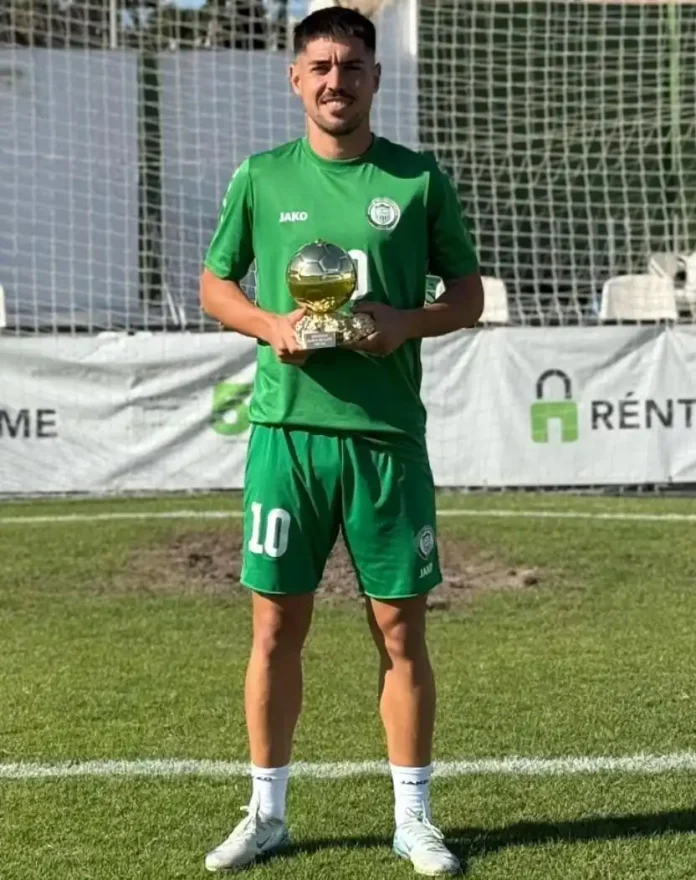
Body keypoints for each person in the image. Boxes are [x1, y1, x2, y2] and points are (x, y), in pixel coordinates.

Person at [199, 5, 483, 875]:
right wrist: (269, 324)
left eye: (352, 67)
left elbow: (467, 295)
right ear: (296, 78)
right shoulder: (261, 177)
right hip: (286, 437)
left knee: (400, 631)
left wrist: (406, 321)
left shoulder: (417, 179)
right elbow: (214, 284)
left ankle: (413, 821)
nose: (336, 81)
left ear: (374, 79)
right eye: (320, 67)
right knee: (275, 628)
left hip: (385, 440)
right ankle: (267, 813)